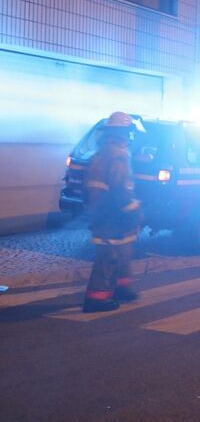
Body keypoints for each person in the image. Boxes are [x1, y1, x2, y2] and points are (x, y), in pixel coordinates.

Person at [82, 111, 144, 313]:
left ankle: (121, 288)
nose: (131, 137)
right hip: (112, 212)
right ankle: (96, 299)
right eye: (129, 132)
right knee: (108, 255)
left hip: (106, 211)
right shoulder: (117, 153)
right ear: (123, 133)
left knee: (122, 251)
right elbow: (121, 186)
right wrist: (132, 210)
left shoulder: (106, 150)